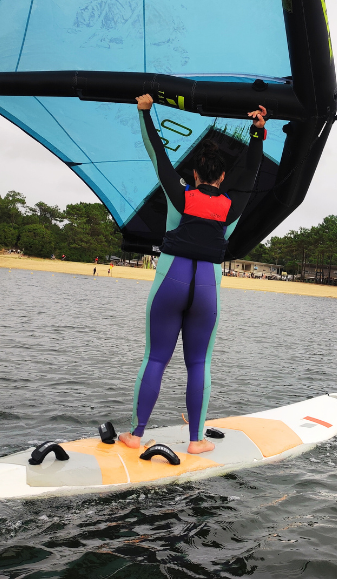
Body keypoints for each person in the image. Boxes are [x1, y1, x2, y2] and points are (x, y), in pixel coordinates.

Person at [120, 94, 267, 455]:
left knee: (155, 358)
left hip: (170, 280)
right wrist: (257, 132)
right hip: (207, 287)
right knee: (200, 363)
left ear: (196, 174)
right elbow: (252, 170)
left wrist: (144, 112)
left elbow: (157, 153)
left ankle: (136, 435)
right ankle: (197, 441)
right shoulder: (232, 206)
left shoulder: (180, 195)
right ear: (222, 177)